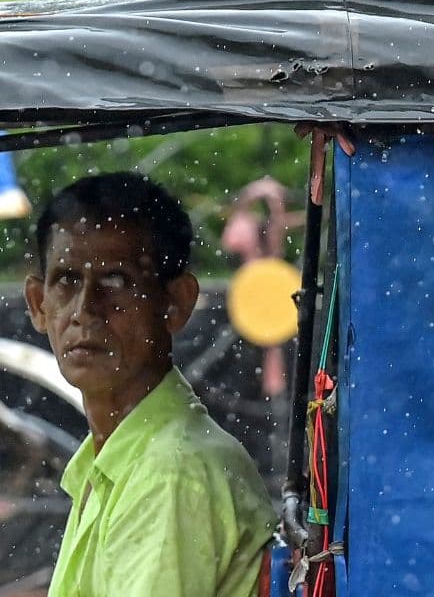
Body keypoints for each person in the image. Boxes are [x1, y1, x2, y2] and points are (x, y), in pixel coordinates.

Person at [23, 172, 276, 597]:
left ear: (176, 303)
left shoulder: (171, 472)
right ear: (38, 304)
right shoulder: (119, 460)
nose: (85, 310)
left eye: (116, 281)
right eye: (67, 281)